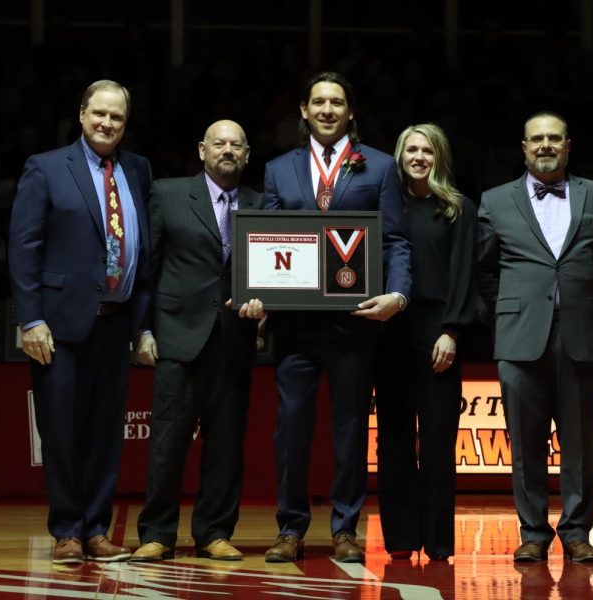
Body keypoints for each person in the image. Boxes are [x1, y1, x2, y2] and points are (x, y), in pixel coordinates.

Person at [258, 71, 412, 563]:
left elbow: (396, 242)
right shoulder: (278, 169)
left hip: (355, 322)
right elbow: (266, 242)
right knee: (292, 430)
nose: (327, 110)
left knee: (349, 430)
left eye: (337, 103)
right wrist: (258, 292)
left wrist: (398, 296)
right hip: (296, 326)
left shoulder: (381, 168)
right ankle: (290, 529)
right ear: (303, 110)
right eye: (318, 102)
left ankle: (346, 528)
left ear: (350, 113)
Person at [8, 80, 152, 564]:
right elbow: (24, 247)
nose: (107, 123)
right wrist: (30, 319)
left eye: (116, 117)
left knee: (105, 433)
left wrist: (142, 324)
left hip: (116, 322)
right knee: (63, 430)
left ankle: (95, 529)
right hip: (59, 325)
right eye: (99, 114)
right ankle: (66, 528)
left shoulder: (137, 169)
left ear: (125, 123)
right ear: (82, 113)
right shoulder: (46, 167)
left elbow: (144, 252)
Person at [477, 111, 593, 563]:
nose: (545, 145)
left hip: (580, 333)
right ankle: (533, 532)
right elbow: (483, 270)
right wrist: (511, 310)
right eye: (536, 139)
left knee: (580, 443)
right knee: (524, 443)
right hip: (519, 337)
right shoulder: (495, 200)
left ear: (568, 145)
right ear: (523, 147)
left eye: (554, 139)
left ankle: (577, 531)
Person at [130, 120, 261, 562]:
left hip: (235, 338)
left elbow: (273, 273)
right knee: (167, 442)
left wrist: (267, 307)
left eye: (236, 145)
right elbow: (146, 268)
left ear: (247, 155)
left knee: (226, 444)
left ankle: (214, 532)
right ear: (201, 150)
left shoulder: (262, 204)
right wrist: (143, 329)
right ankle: (156, 534)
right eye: (219, 143)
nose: (228, 150)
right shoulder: (167, 193)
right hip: (177, 335)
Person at [374, 123, 477, 562]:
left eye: (427, 150)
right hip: (391, 329)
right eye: (410, 149)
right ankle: (398, 538)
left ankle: (437, 541)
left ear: (440, 157)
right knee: (393, 437)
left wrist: (452, 331)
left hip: (439, 330)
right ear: (399, 156)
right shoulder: (386, 208)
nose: (418, 157)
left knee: (437, 439)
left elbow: (465, 276)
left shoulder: (458, 209)